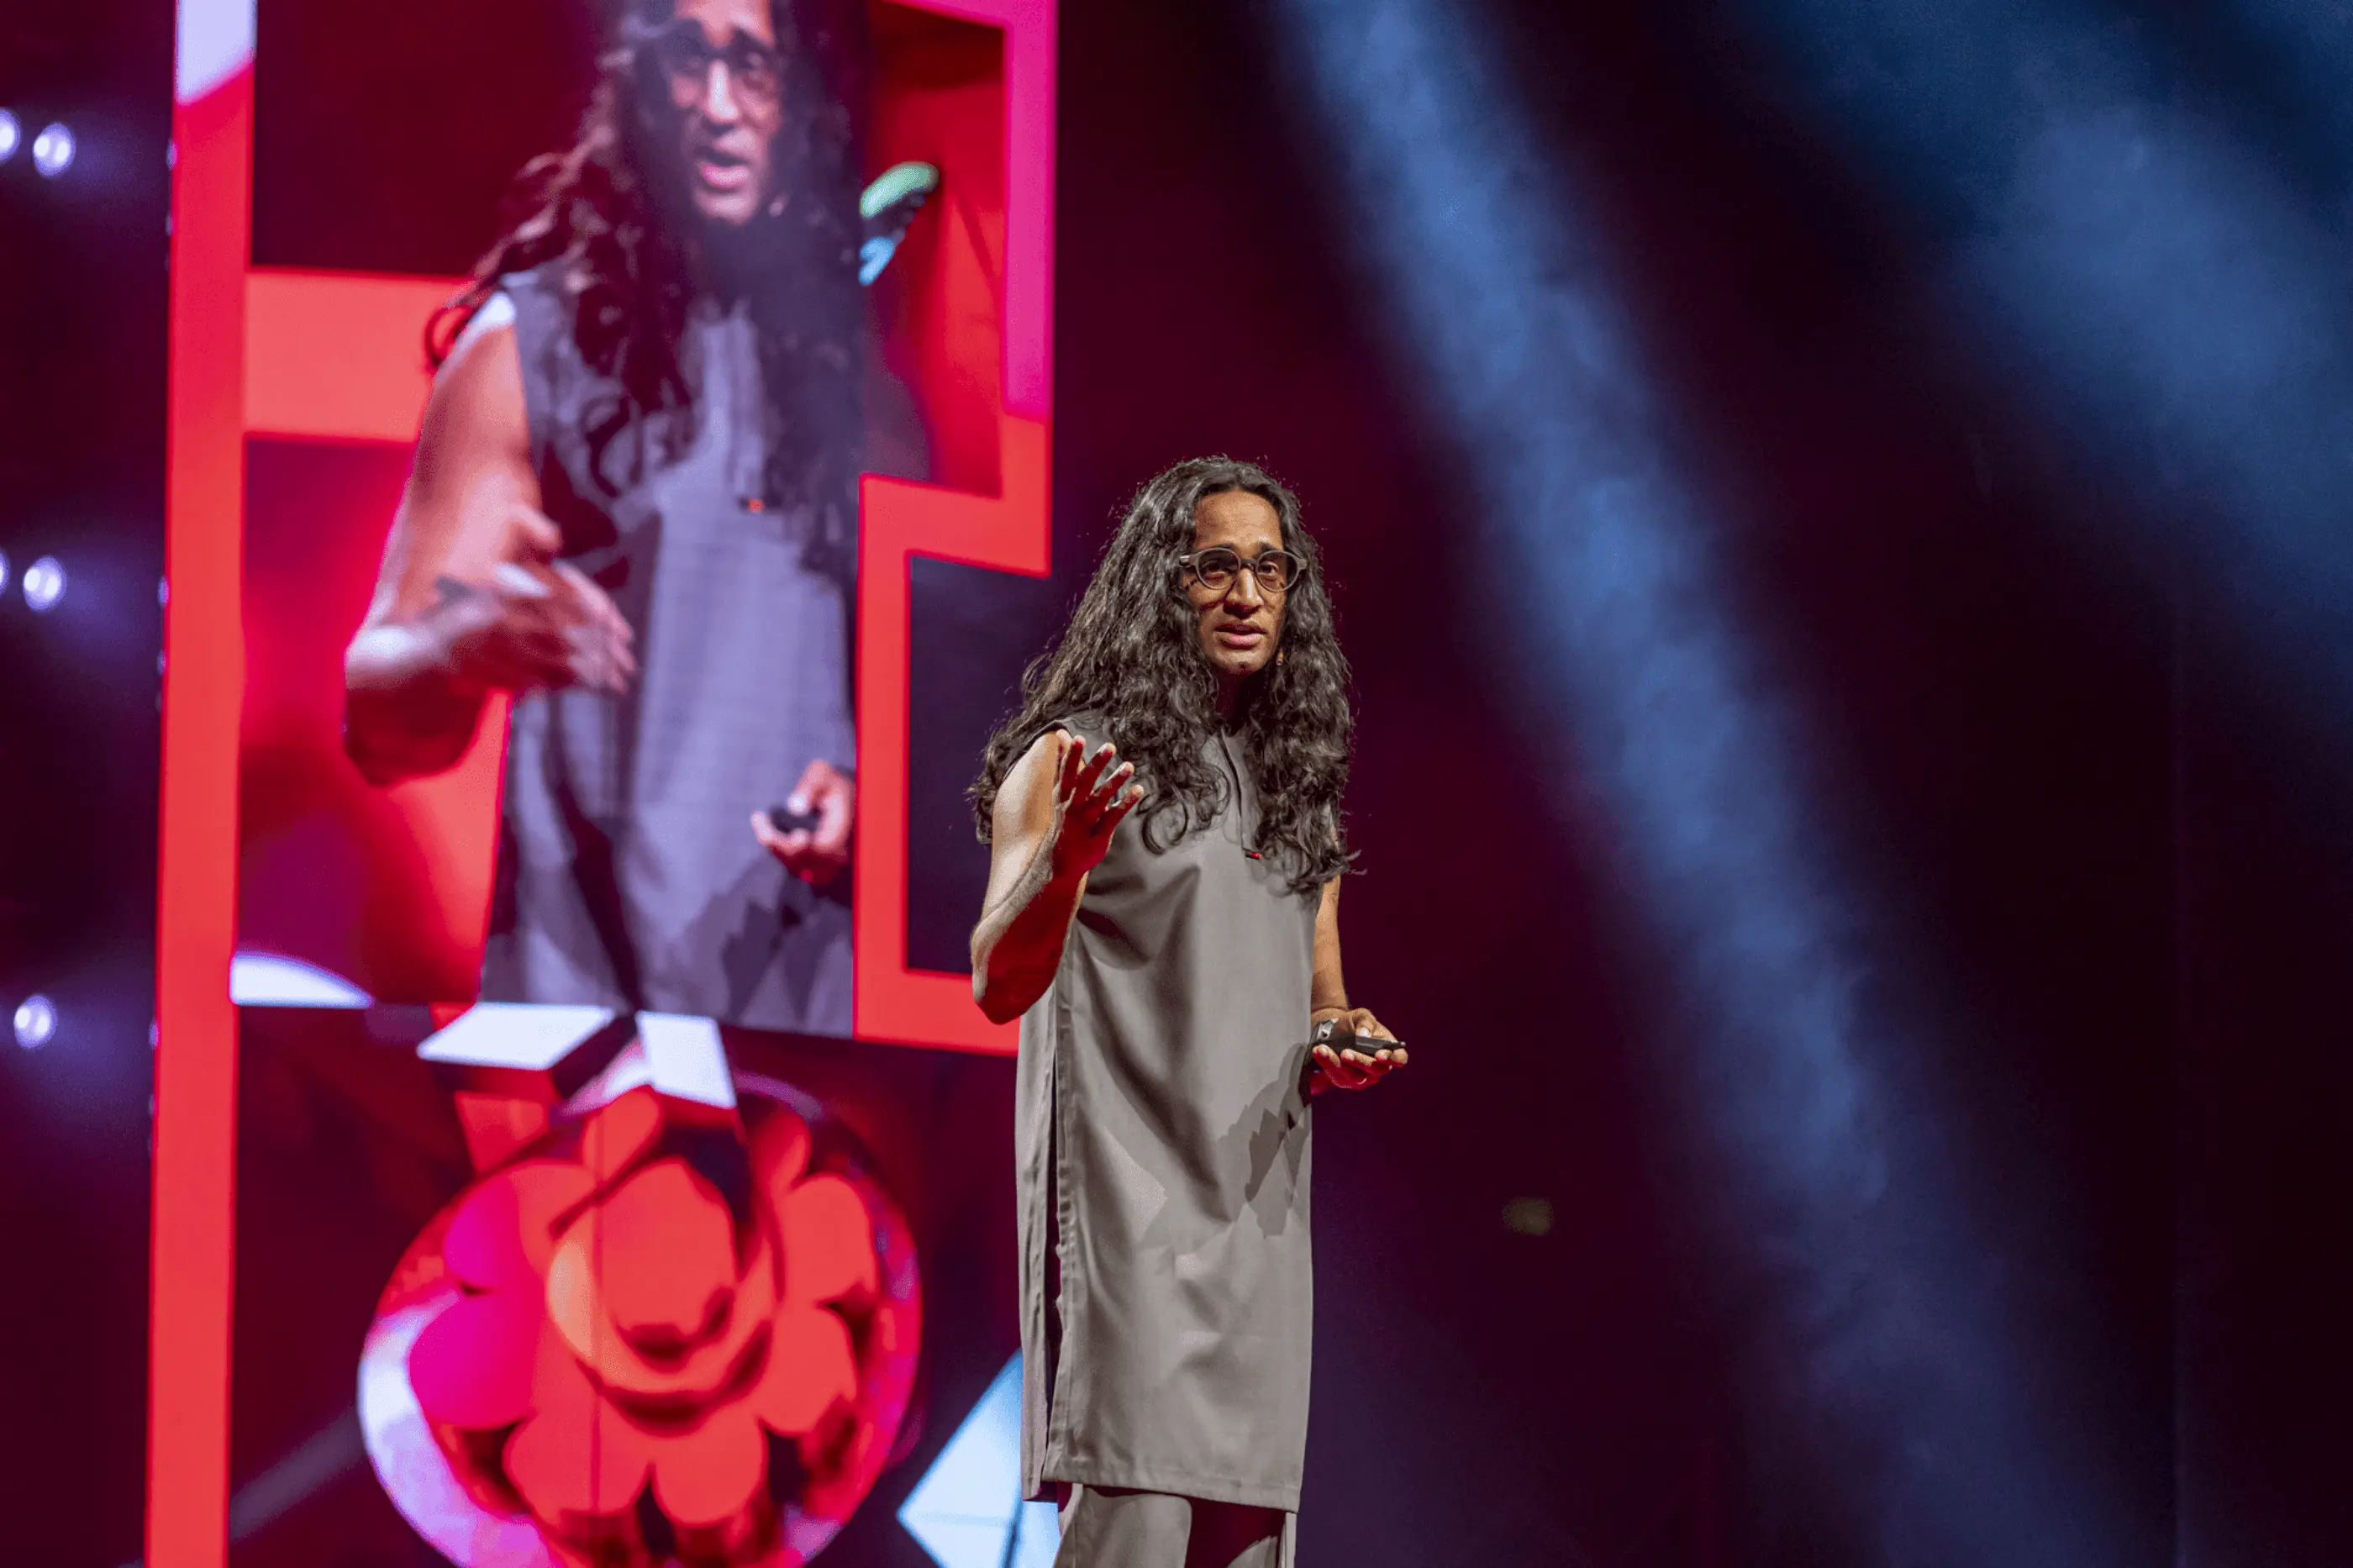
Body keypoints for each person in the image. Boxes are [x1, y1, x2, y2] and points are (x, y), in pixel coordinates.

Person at [343, 0, 908, 1033]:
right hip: (593, 1028)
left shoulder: (882, 364)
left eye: (758, 68)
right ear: (637, 83)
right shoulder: (532, 346)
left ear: (812, 98)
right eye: (689, 61)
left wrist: (882, 788)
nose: (721, 106)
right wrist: (458, 646)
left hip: (834, 1032)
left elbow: (979, 711)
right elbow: (377, 720)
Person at [969, 456, 1409, 1567]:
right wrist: (1063, 864)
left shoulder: (1296, 784)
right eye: (1216, 567)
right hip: (1130, 1233)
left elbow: (1322, 1001)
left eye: (1270, 568)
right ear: (1159, 587)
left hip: (1257, 1241)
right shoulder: (1070, 762)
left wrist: (1343, 1043)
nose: (1248, 594)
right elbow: (997, 981)